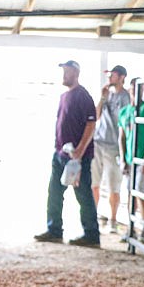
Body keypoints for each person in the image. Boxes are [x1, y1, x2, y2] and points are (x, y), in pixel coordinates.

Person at [35, 60, 100, 247]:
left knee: (83, 194)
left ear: (76, 73)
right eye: (63, 71)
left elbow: (91, 124)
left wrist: (80, 150)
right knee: (54, 191)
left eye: (67, 71)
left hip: (78, 156)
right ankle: (54, 229)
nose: (64, 75)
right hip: (61, 153)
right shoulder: (64, 96)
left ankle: (91, 234)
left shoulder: (83, 96)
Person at [118, 78, 144, 243]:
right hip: (130, 159)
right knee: (130, 193)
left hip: (143, 159)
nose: (136, 91)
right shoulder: (125, 111)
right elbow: (122, 136)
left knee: (141, 193)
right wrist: (122, 158)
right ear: (129, 90)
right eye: (133, 88)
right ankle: (131, 227)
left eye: (139, 88)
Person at [91, 65, 130, 233]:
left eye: (113, 75)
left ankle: (113, 220)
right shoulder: (107, 95)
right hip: (99, 142)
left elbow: (126, 121)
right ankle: (93, 217)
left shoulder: (126, 97)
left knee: (114, 184)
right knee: (94, 182)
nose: (110, 78)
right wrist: (102, 98)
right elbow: (96, 116)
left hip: (115, 145)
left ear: (121, 77)